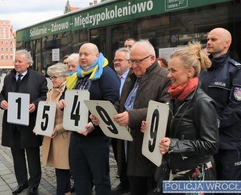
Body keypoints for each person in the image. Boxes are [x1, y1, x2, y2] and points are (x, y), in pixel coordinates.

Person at [105, 40, 170, 195]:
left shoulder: (164, 78)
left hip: (148, 149)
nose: (133, 66)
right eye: (131, 61)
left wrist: (131, 116)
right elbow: (122, 103)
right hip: (128, 147)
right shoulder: (132, 77)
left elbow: (164, 109)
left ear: (152, 58)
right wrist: (107, 113)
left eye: (138, 61)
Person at [153, 42, 219, 194]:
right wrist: (153, 128)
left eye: (173, 71)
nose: (168, 75)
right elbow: (175, 130)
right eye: (168, 70)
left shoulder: (202, 102)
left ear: (189, 72)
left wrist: (174, 145)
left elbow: (211, 145)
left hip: (196, 176)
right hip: (175, 172)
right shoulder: (174, 98)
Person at [57, 43, 120, 195]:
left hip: (97, 137)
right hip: (77, 135)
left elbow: (112, 101)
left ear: (97, 56)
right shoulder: (77, 75)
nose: (83, 57)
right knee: (79, 178)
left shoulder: (106, 74)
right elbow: (66, 94)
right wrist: (62, 102)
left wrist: (94, 124)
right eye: (80, 54)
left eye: (87, 54)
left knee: (100, 180)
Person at [199, 28, 241, 190]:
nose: (209, 42)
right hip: (205, 145)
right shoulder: (202, 71)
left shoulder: (237, 72)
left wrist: (211, 125)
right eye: (208, 39)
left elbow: (236, 109)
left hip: (227, 147)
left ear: (227, 43)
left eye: (214, 39)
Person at [0, 49, 48, 195]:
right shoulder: (9, 77)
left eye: (20, 61)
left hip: (29, 124)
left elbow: (45, 96)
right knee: (17, 155)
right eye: (15, 61)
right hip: (12, 124)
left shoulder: (38, 77)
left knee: (32, 155)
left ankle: (34, 185)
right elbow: (2, 94)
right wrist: (1, 102)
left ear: (28, 63)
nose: (17, 64)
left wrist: (36, 104)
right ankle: (22, 182)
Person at [40, 63, 72, 195]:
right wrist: (40, 126)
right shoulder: (51, 91)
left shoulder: (68, 91)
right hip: (51, 135)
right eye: (51, 77)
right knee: (59, 170)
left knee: (63, 169)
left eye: (55, 77)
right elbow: (45, 112)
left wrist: (57, 128)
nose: (52, 80)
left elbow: (72, 118)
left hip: (63, 135)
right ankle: (66, 191)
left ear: (64, 77)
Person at [111, 47, 131, 195]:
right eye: (115, 60)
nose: (116, 62)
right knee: (118, 154)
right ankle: (124, 182)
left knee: (128, 155)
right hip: (113, 122)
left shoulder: (132, 77)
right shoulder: (112, 77)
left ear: (129, 63)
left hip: (129, 122)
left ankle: (130, 183)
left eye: (120, 60)